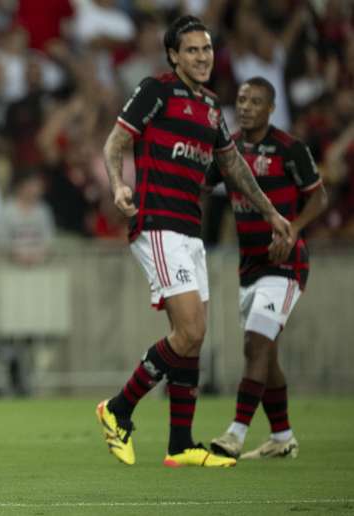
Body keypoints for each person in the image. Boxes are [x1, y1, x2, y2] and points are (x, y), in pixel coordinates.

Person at [96, 15, 293, 468]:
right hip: (157, 223)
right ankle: (118, 408)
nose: (202, 57)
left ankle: (180, 444)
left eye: (206, 50)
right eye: (192, 50)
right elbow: (114, 142)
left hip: (190, 229)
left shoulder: (210, 105)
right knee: (189, 331)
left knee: (192, 340)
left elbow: (234, 167)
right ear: (173, 55)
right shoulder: (156, 91)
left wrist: (271, 212)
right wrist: (118, 185)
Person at [209, 77, 327, 460]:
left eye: (255, 101)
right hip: (250, 266)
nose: (245, 107)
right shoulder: (228, 151)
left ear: (271, 108)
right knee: (263, 350)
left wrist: (292, 230)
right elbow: (200, 184)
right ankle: (282, 436)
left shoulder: (290, 149)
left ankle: (235, 433)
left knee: (257, 343)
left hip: (286, 264)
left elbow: (319, 197)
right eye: (241, 99)